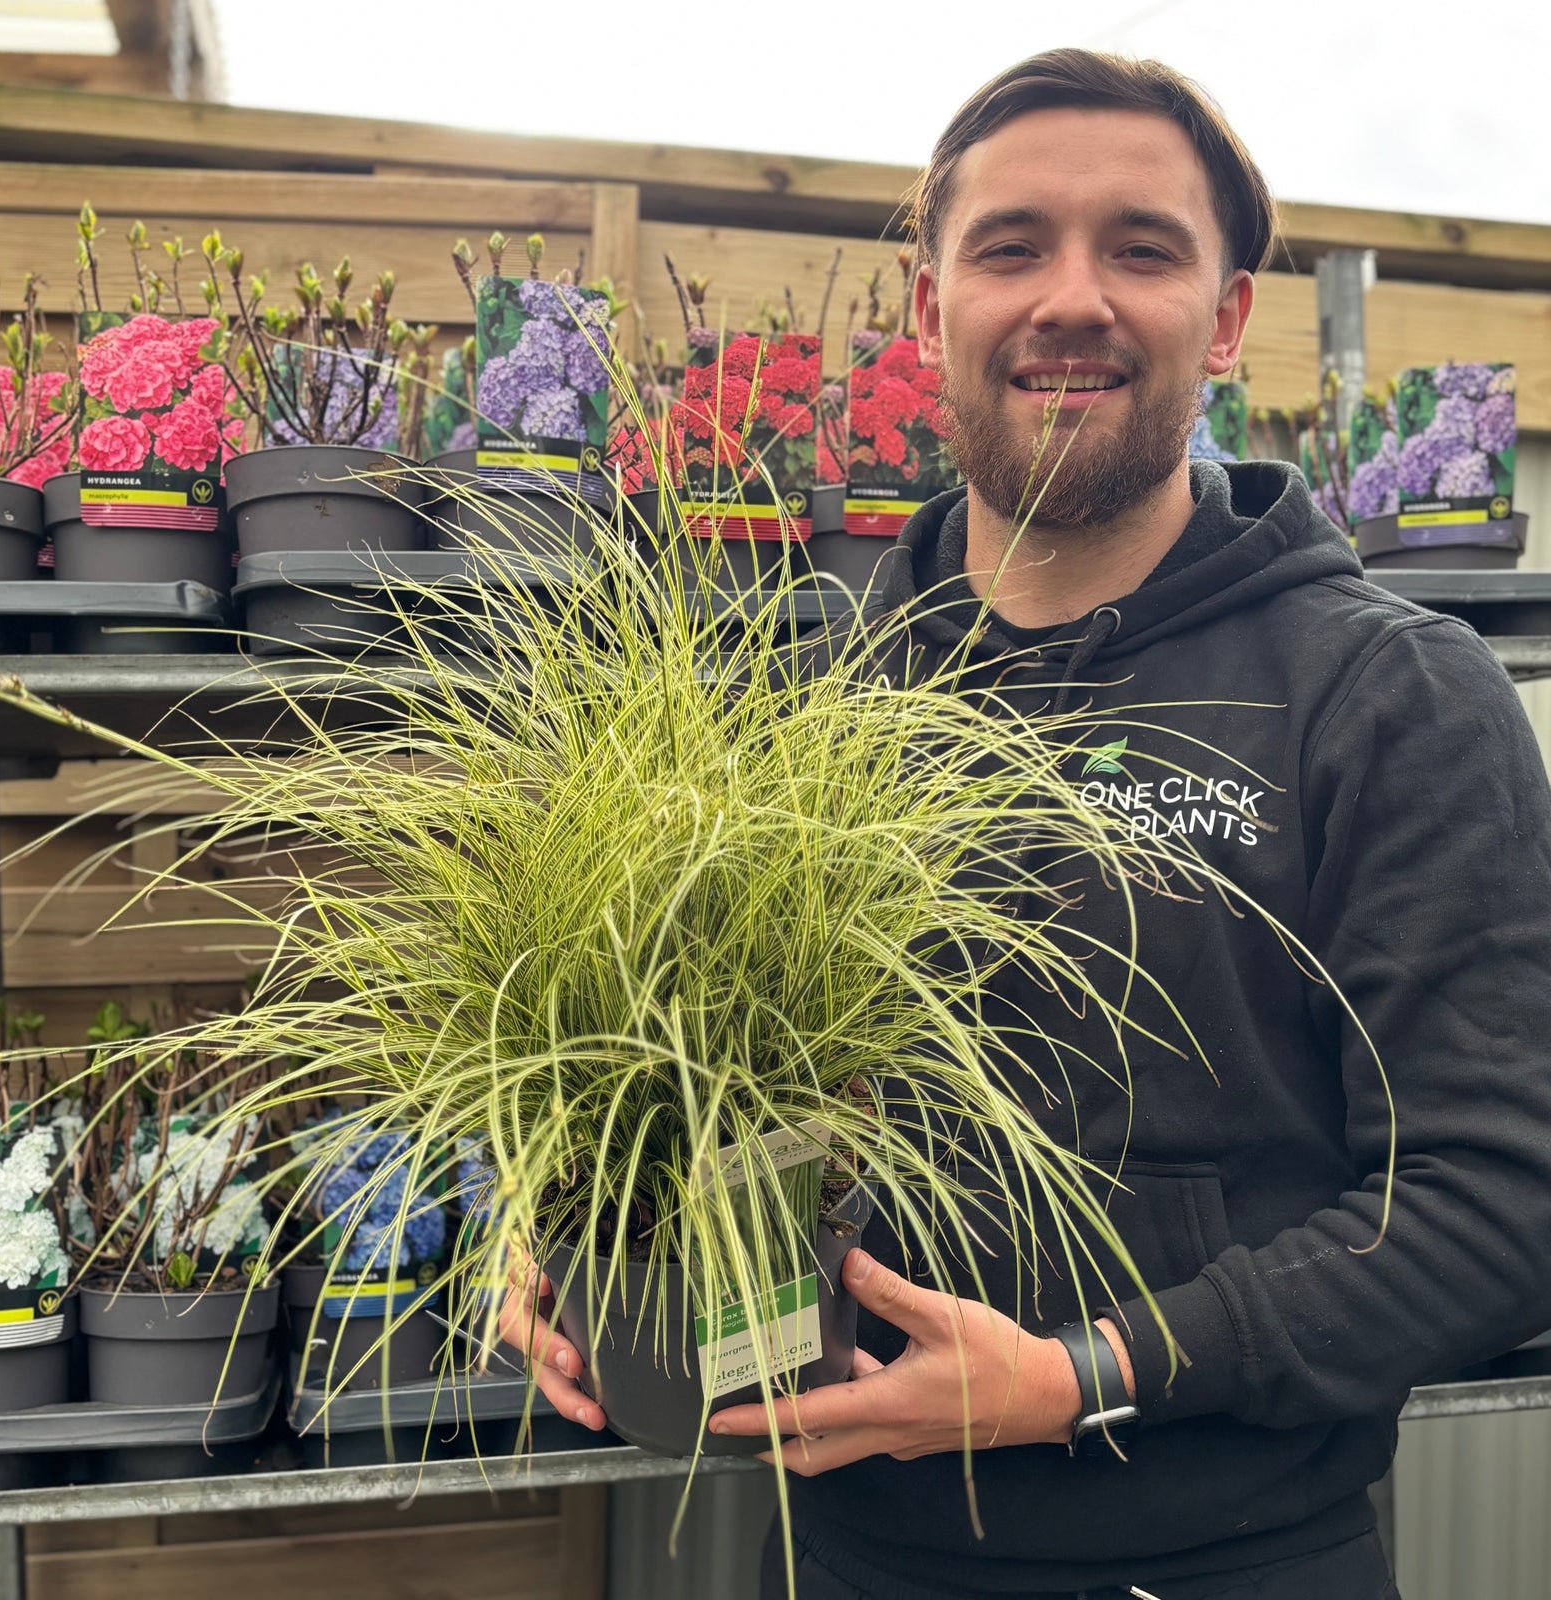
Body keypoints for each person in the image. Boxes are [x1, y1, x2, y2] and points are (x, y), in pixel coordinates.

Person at [503, 48, 1551, 1599]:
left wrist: (1082, 1375)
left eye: (1141, 247)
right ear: (931, 310)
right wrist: (574, 1243)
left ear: (1230, 313)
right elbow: (690, 1097)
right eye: (1012, 247)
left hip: (1234, 1563)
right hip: (857, 1557)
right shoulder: (792, 696)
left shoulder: (1387, 696)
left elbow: (1502, 1197)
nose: (1073, 298)